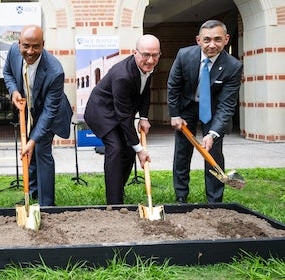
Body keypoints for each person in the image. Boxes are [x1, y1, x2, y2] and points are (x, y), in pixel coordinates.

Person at [168, 20, 243, 204]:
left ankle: (214, 200)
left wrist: (213, 133)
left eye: (217, 39)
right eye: (207, 39)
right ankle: (180, 195)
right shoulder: (184, 56)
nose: (212, 45)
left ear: (226, 39)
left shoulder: (233, 66)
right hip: (187, 106)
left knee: (213, 152)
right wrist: (175, 114)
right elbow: (174, 86)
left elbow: (227, 105)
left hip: (214, 110)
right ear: (198, 40)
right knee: (182, 152)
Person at [84, 34, 161, 205]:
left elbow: (145, 91)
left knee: (128, 151)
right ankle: (114, 203)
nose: (150, 60)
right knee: (116, 148)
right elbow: (124, 117)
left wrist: (144, 117)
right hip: (101, 112)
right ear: (135, 53)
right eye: (146, 55)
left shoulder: (147, 67)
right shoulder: (123, 76)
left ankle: (117, 189)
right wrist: (140, 149)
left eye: (155, 55)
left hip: (119, 109)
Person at [3, 24, 72, 206]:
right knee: (30, 153)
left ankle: (46, 203)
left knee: (40, 150)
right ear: (19, 44)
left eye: (36, 46)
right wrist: (14, 91)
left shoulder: (55, 70)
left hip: (50, 112)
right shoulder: (13, 52)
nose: (31, 51)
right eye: (26, 46)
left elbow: (50, 111)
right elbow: (8, 73)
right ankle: (33, 193)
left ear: (43, 44)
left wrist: (32, 141)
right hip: (28, 109)